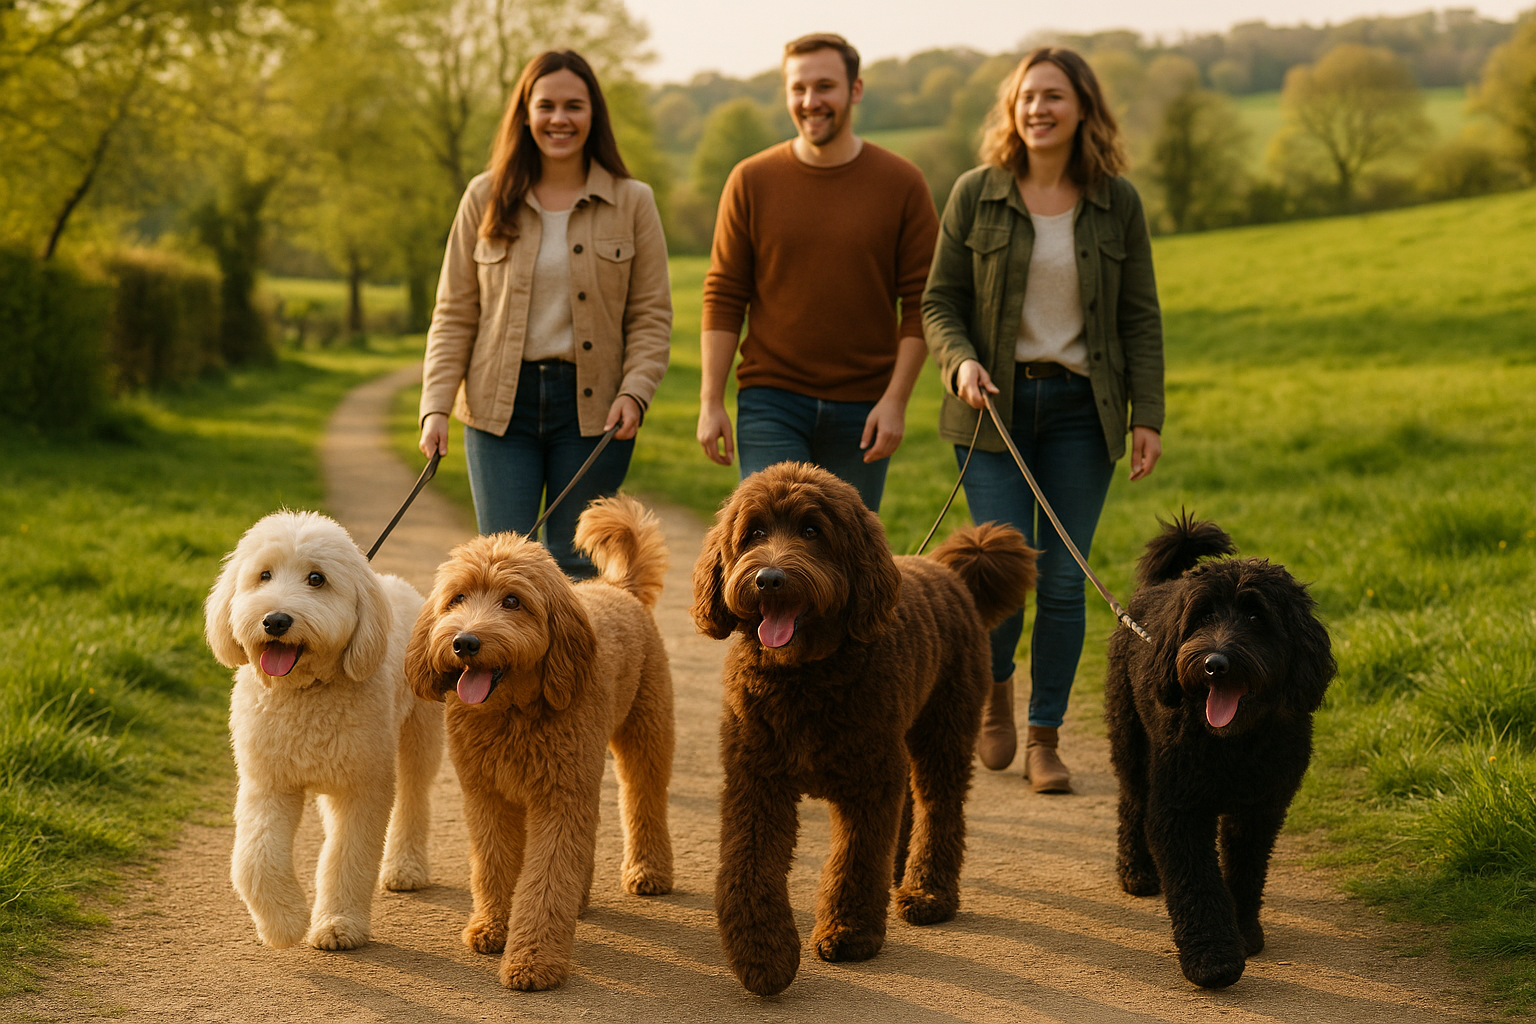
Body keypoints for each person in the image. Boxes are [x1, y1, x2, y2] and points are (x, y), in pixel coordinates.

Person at [922, 47, 1165, 792]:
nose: (1038, 109)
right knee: (997, 574)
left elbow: (1139, 318)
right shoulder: (975, 193)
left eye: (1054, 96)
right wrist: (958, 360)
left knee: (1064, 584)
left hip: (1080, 413)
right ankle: (993, 693)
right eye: (1027, 97)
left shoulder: (1115, 202)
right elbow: (940, 304)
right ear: (1012, 107)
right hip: (992, 408)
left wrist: (1146, 415)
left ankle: (1044, 735)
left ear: (1083, 108)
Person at [419, 49, 671, 578]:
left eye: (574, 106)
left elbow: (650, 316)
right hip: (496, 409)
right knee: (502, 566)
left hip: (593, 410)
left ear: (593, 114)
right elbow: (454, 312)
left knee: (576, 565)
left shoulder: (632, 201)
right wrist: (436, 406)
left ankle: (578, 666)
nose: (560, 118)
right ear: (526, 114)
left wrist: (636, 391)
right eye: (547, 105)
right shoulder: (484, 197)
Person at [696, 33, 939, 512]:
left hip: (866, 407)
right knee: (770, 549)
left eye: (825, 86)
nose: (811, 101)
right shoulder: (751, 179)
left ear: (855, 89)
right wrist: (710, 400)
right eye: (798, 88)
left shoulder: (903, 183)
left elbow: (921, 304)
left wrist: (896, 400)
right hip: (771, 400)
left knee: (847, 559)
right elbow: (724, 294)